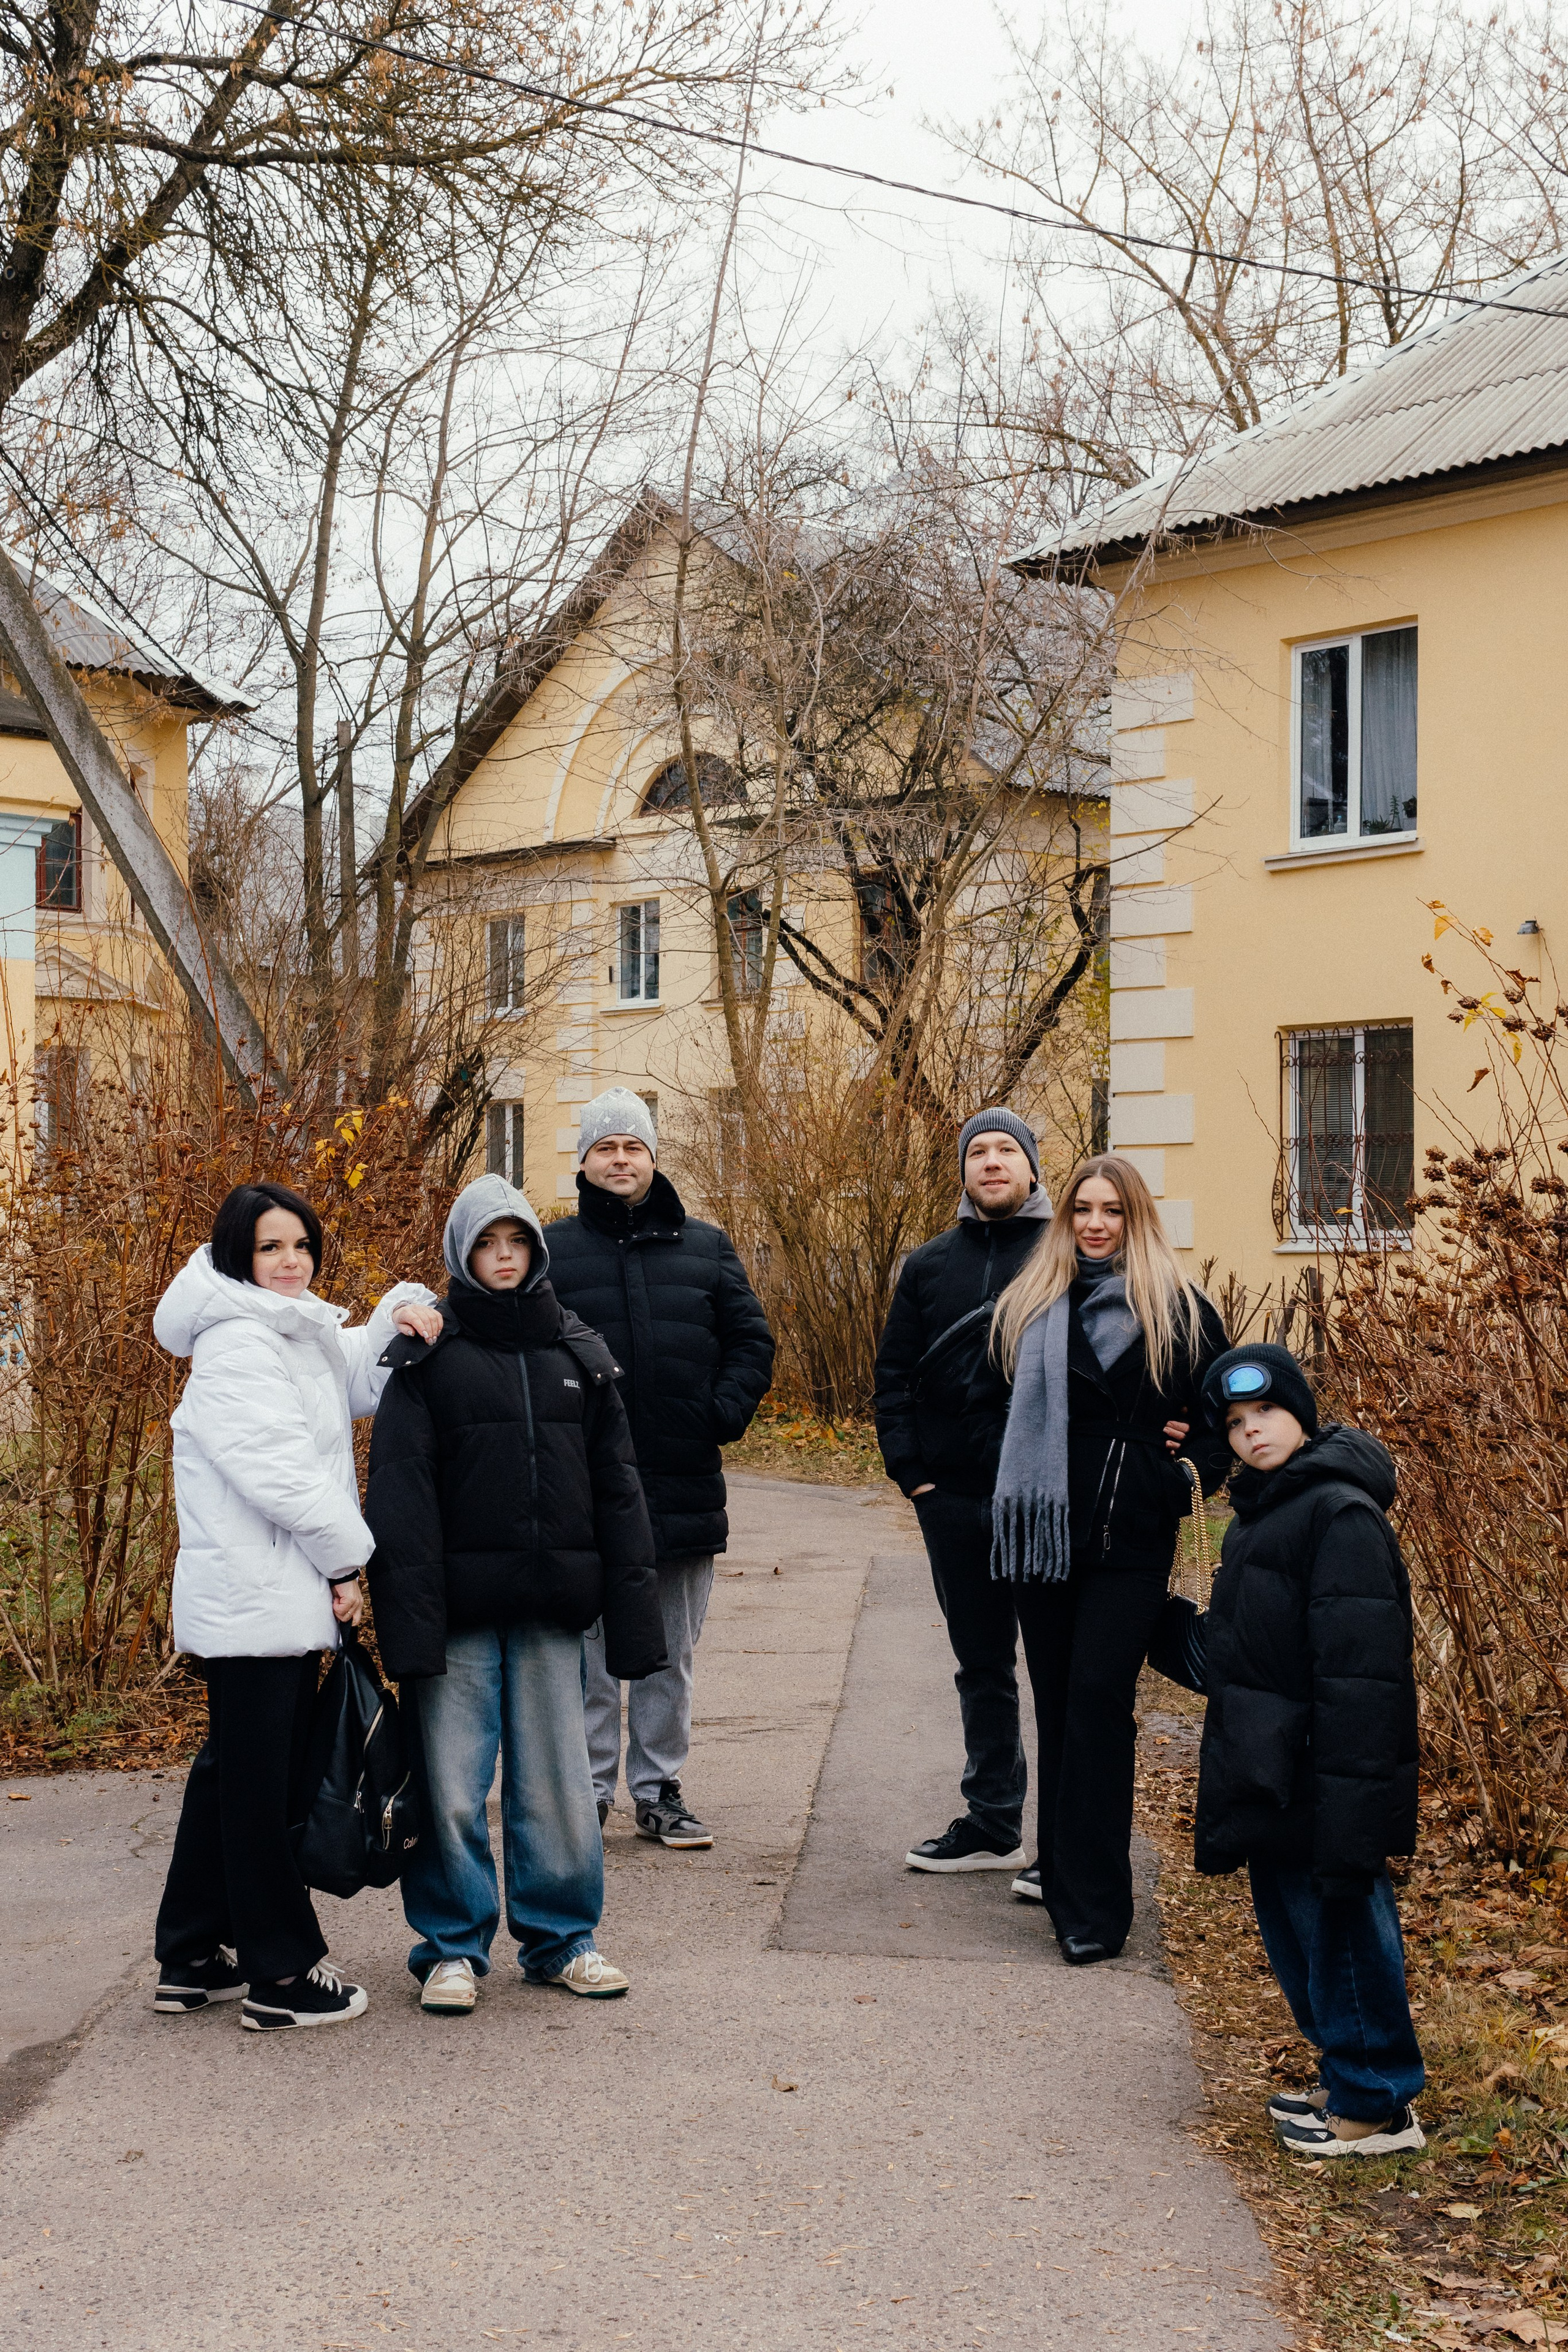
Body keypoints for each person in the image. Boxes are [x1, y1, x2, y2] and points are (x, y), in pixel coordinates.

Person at [365, 1173, 666, 2014]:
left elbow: (619, 1490)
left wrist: (633, 1614)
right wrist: (409, 1626)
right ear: (464, 1254)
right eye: (488, 1244)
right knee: (453, 1786)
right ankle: (451, 1948)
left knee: (559, 1786)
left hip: (550, 1611)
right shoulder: (428, 1357)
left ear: (535, 1252)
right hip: (458, 1615)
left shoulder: (579, 1352)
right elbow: (399, 1494)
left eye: (517, 1243)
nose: (503, 1258)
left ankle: (562, 1939)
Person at [151, 1182, 441, 2032]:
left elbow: (346, 1371)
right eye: (272, 1248)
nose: (291, 1262)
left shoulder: (280, 1328)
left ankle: (193, 1951)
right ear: (238, 1255)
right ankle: (280, 1973)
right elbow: (282, 1473)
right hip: (256, 1599)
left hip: (265, 1596)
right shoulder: (240, 1344)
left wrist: (405, 1311)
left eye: (302, 1245)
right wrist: (347, 1560)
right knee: (255, 1787)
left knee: (233, 1774)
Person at [1150, 1343, 1425, 2158]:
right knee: (1304, 1937)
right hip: (1273, 1773)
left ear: (1302, 1414)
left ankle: (1376, 2106)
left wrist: (1353, 1805)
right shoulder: (1265, 1513)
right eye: (1234, 1423)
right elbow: (1247, 1656)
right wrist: (1159, 1625)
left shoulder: (1337, 1515)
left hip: (1323, 1778)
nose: (1251, 1432)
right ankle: (1351, 2079)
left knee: (1343, 1936)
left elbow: (1363, 1679)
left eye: (1266, 1412)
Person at [988, 1152, 1231, 1960]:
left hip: (1131, 1544)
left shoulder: (1181, 1312)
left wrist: (1182, 1469)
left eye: (1113, 1211)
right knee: (1058, 1707)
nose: (1096, 1224)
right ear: (1067, 1220)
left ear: (1137, 1220)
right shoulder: (1031, 1304)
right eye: (1083, 1210)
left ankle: (1096, 1909)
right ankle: (1059, 1876)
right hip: (1042, 1541)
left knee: (1098, 1701)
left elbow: (1227, 1421)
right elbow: (981, 1411)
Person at [546, 1088, 775, 1850]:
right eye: (605, 1146)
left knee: (668, 1651)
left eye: (632, 1146)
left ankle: (658, 1788)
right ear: (583, 1160)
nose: (619, 1159)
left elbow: (751, 1341)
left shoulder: (705, 1248)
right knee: (588, 1651)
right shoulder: (550, 1252)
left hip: (679, 1482)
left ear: (652, 1158)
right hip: (581, 1487)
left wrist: (718, 1413)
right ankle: (587, 1790)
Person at [873, 1109, 1052, 1877]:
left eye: (1006, 1149)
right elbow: (892, 1379)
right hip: (952, 1500)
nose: (990, 1162)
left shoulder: (1069, 1255)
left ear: (1033, 1167)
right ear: (962, 1171)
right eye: (976, 1151)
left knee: (1059, 1668)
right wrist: (913, 1475)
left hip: (1047, 1502)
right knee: (981, 1663)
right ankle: (992, 1822)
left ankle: (1066, 1846)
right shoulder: (927, 1266)